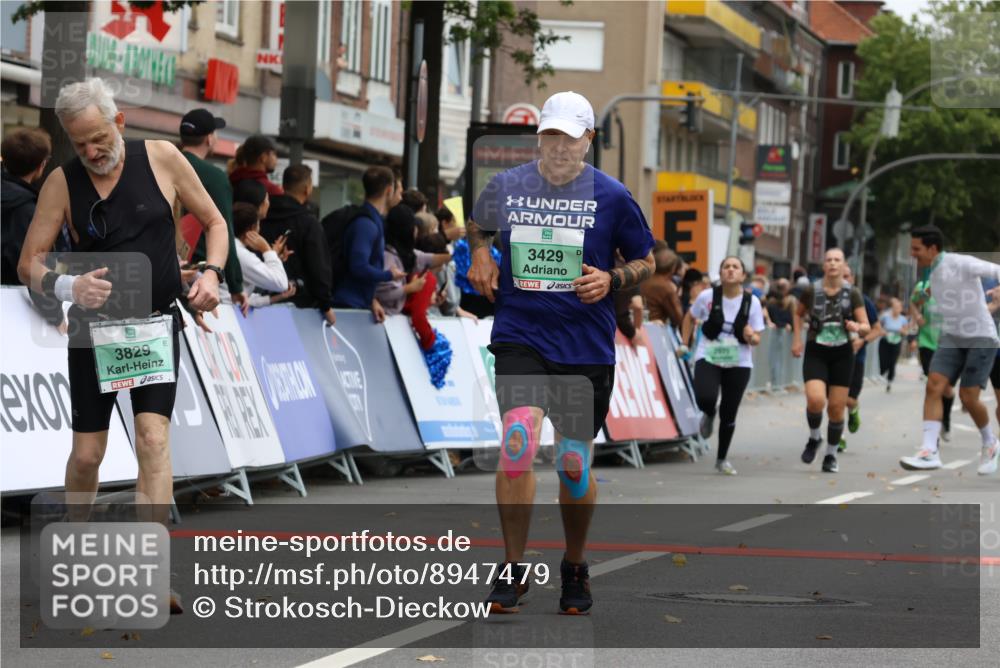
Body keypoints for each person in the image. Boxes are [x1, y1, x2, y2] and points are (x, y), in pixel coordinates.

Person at [17, 79, 227, 613]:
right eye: (78, 142)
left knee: (154, 443)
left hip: (155, 326)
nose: (90, 151)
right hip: (95, 331)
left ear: (121, 122)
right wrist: (68, 287)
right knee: (89, 453)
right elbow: (29, 263)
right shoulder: (62, 183)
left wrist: (211, 274)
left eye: (97, 138)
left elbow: (216, 223)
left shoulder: (162, 158)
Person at [467, 91, 655, 615]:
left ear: (588, 141)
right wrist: (481, 253)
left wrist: (612, 277)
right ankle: (511, 566)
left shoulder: (614, 196)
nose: (558, 148)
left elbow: (647, 258)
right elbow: (476, 221)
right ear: (540, 138)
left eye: (569, 138)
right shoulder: (507, 185)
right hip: (521, 334)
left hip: (584, 346)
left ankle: (574, 563)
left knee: (573, 464)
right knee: (517, 442)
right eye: (550, 136)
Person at [899, 225, 1000, 474]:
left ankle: (990, 442)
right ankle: (929, 451)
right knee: (934, 385)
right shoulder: (930, 271)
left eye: (916, 249)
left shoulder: (960, 262)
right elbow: (930, 292)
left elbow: (996, 270)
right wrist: (919, 301)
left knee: (968, 396)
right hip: (952, 336)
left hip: (981, 336)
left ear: (932, 248)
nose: (912, 254)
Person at [678, 256, 765, 475]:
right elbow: (689, 317)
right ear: (721, 273)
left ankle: (722, 459)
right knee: (705, 396)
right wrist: (684, 342)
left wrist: (750, 335)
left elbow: (757, 338)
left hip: (739, 360)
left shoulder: (751, 302)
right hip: (709, 354)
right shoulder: (707, 296)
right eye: (726, 267)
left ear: (743, 275)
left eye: (736, 267)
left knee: (729, 411)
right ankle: (708, 412)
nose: (731, 270)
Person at [791, 248, 871, 474]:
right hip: (817, 350)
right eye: (829, 260)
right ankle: (815, 438)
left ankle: (831, 455)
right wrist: (797, 339)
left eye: (837, 260)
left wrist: (858, 327)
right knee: (815, 400)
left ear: (844, 265)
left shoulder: (852, 293)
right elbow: (798, 313)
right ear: (824, 265)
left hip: (842, 354)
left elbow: (866, 326)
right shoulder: (811, 290)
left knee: (836, 408)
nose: (833, 264)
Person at [178, 108, 246, 313]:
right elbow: (224, 229)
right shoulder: (214, 177)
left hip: (164, 272)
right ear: (209, 138)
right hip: (202, 279)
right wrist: (236, 285)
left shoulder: (163, 167)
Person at [259, 164, 336, 325]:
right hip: (300, 306)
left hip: (259, 300)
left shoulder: (262, 216)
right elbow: (318, 266)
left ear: (283, 186)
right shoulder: (309, 223)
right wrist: (326, 305)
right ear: (307, 189)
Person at [330, 166, 406, 321]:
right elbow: (358, 266)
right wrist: (388, 275)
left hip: (357, 302)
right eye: (398, 190)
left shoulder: (372, 220)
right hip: (348, 305)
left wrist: (372, 300)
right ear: (388, 190)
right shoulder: (366, 224)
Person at [839, 264, 882, 452]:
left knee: (848, 400)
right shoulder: (826, 299)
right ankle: (838, 437)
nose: (844, 280)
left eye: (847, 276)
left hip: (856, 358)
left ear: (853, 279)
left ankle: (853, 410)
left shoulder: (863, 301)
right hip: (835, 356)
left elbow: (878, 330)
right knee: (836, 400)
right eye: (841, 276)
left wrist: (862, 341)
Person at [910, 268, 954, 441]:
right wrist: (917, 315)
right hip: (927, 343)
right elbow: (914, 303)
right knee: (934, 387)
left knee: (947, 390)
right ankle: (932, 435)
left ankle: (946, 420)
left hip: (949, 345)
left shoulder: (956, 291)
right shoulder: (925, 287)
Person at [232, 202, 295, 308]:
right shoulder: (242, 254)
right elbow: (281, 283)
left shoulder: (233, 248)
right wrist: (267, 249)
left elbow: (241, 299)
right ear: (252, 228)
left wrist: (273, 256)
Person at [640, 240, 684, 329]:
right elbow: (678, 318)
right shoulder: (666, 287)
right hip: (655, 331)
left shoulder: (642, 278)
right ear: (673, 268)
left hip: (639, 328)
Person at [764, 277, 795, 389]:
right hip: (773, 336)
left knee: (778, 361)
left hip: (780, 336)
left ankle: (778, 384)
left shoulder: (788, 303)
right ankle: (775, 384)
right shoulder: (771, 304)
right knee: (773, 361)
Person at [878, 297, 908, 391]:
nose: (897, 309)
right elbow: (878, 325)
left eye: (899, 308)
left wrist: (902, 331)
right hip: (885, 341)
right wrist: (882, 331)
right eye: (895, 307)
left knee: (892, 362)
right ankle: (882, 373)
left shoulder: (903, 319)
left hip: (896, 342)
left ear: (901, 309)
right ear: (892, 308)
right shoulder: (885, 316)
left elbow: (906, 331)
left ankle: (889, 380)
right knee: (883, 360)